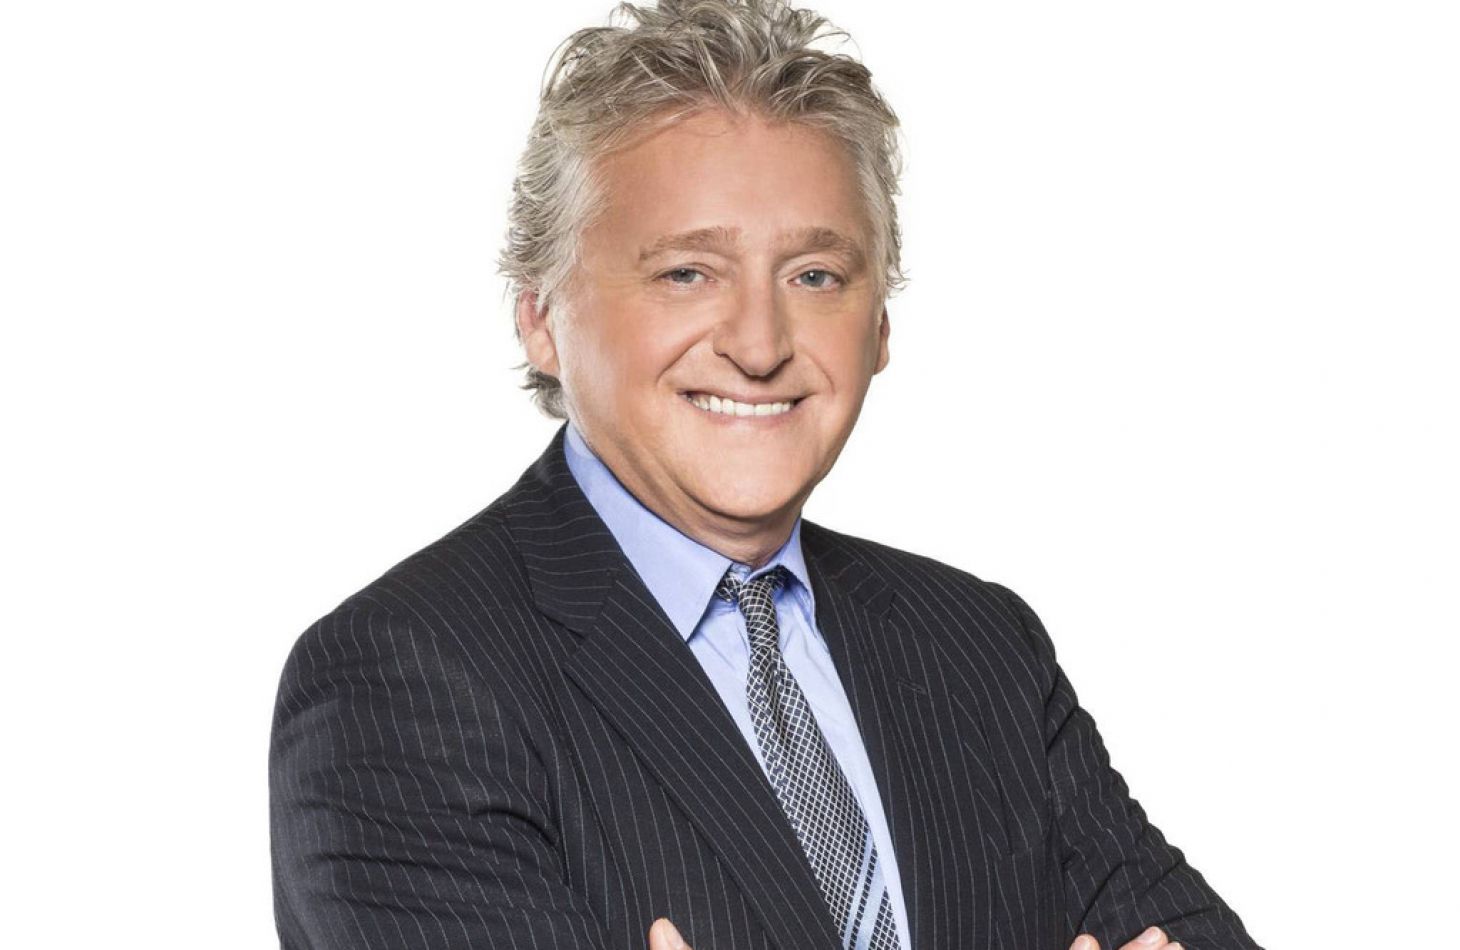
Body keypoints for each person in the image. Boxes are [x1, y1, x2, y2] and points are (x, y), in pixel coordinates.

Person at [268, 1, 1263, 948]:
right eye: (686, 273)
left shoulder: (979, 645)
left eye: (815, 276)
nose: (758, 344)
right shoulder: (402, 680)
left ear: (879, 325)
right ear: (539, 316)